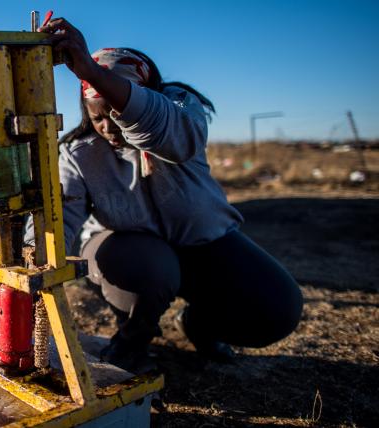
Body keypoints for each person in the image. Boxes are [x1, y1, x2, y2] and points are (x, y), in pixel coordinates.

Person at [29, 18, 303, 373]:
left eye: (115, 113)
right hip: (131, 254)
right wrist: (35, 255)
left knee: (278, 308)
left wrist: (94, 74)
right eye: (98, 118)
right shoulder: (80, 154)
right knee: (152, 267)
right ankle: (132, 340)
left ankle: (198, 324)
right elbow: (62, 213)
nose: (109, 128)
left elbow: (168, 134)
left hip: (200, 245)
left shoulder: (179, 114)